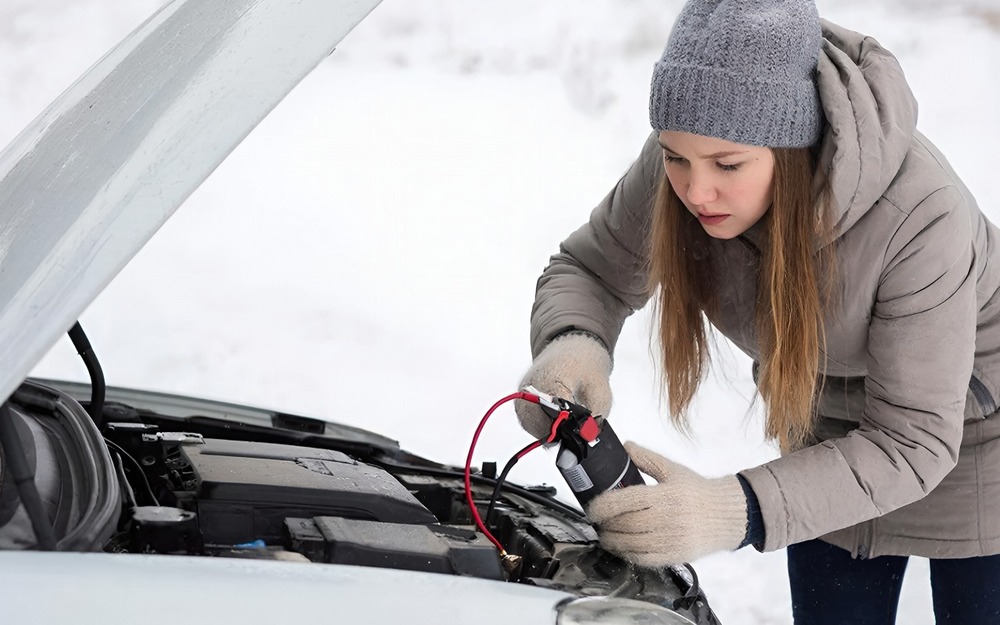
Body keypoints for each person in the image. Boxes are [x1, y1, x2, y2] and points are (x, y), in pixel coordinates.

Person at [512, 0, 1000, 623]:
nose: (695, 191)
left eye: (728, 166)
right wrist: (573, 342)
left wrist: (729, 508)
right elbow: (592, 269)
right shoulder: (692, 159)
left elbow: (914, 440)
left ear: (792, 150)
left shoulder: (918, 215)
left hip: (975, 432)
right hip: (829, 435)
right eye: (675, 157)